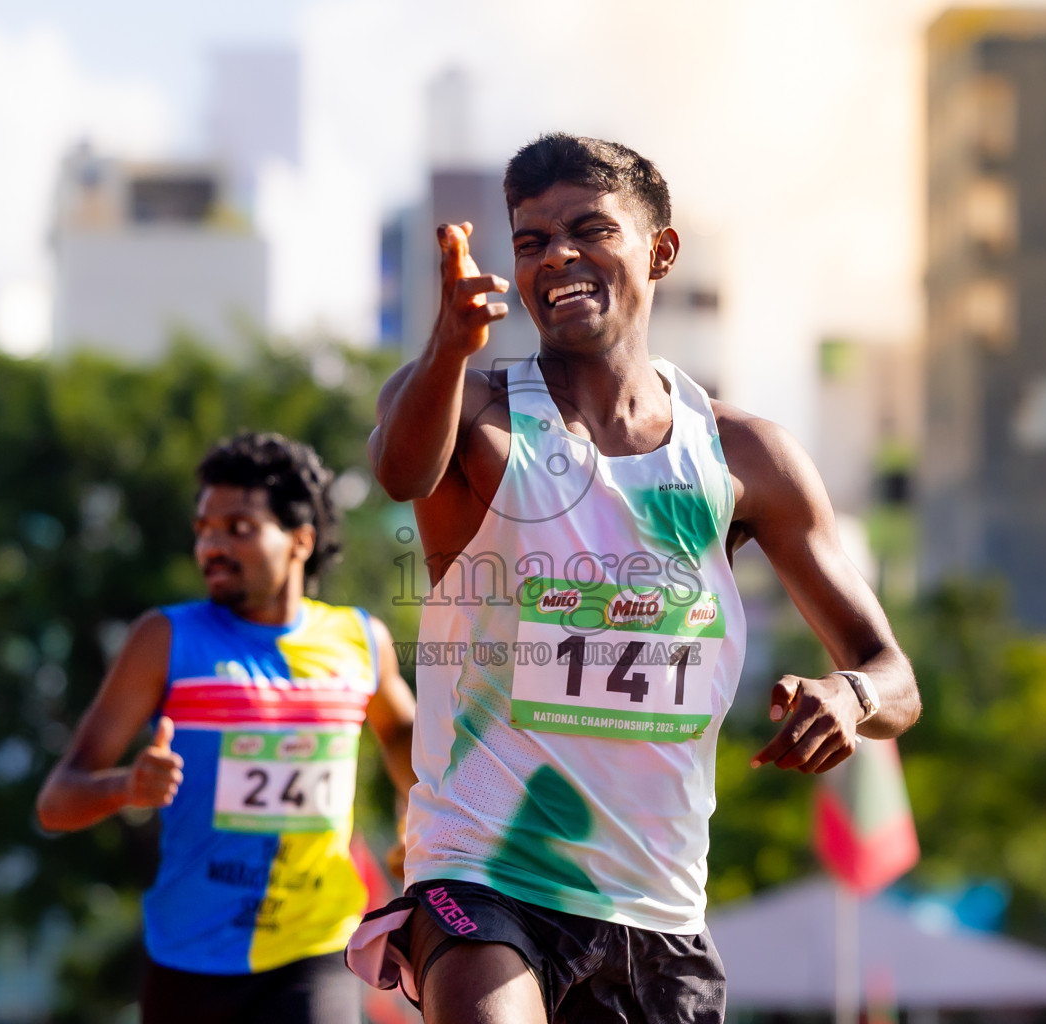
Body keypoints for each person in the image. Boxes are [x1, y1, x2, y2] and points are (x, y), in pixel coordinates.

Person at [346, 135, 921, 1024]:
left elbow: (894, 677)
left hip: (657, 907)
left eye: (589, 230)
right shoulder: (474, 406)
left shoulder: (745, 457)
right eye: (532, 241)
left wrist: (849, 696)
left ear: (661, 252)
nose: (556, 256)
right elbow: (400, 471)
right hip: (485, 874)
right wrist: (450, 345)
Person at [37, 432, 418, 1024]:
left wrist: (416, 823)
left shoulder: (361, 641)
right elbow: (56, 803)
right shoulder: (165, 641)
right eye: (204, 530)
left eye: (238, 528)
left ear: (300, 540)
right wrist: (126, 788)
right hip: (191, 961)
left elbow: (403, 738)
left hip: (316, 945)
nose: (212, 546)